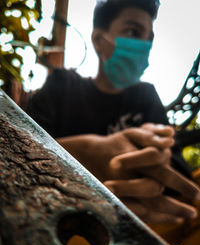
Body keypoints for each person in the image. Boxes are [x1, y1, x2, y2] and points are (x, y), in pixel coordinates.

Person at [26, 0, 200, 226]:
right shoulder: (62, 85)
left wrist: (158, 158)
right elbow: (18, 145)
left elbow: (178, 173)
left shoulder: (146, 96)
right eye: (133, 32)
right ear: (99, 40)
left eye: (149, 39)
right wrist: (81, 155)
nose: (144, 45)